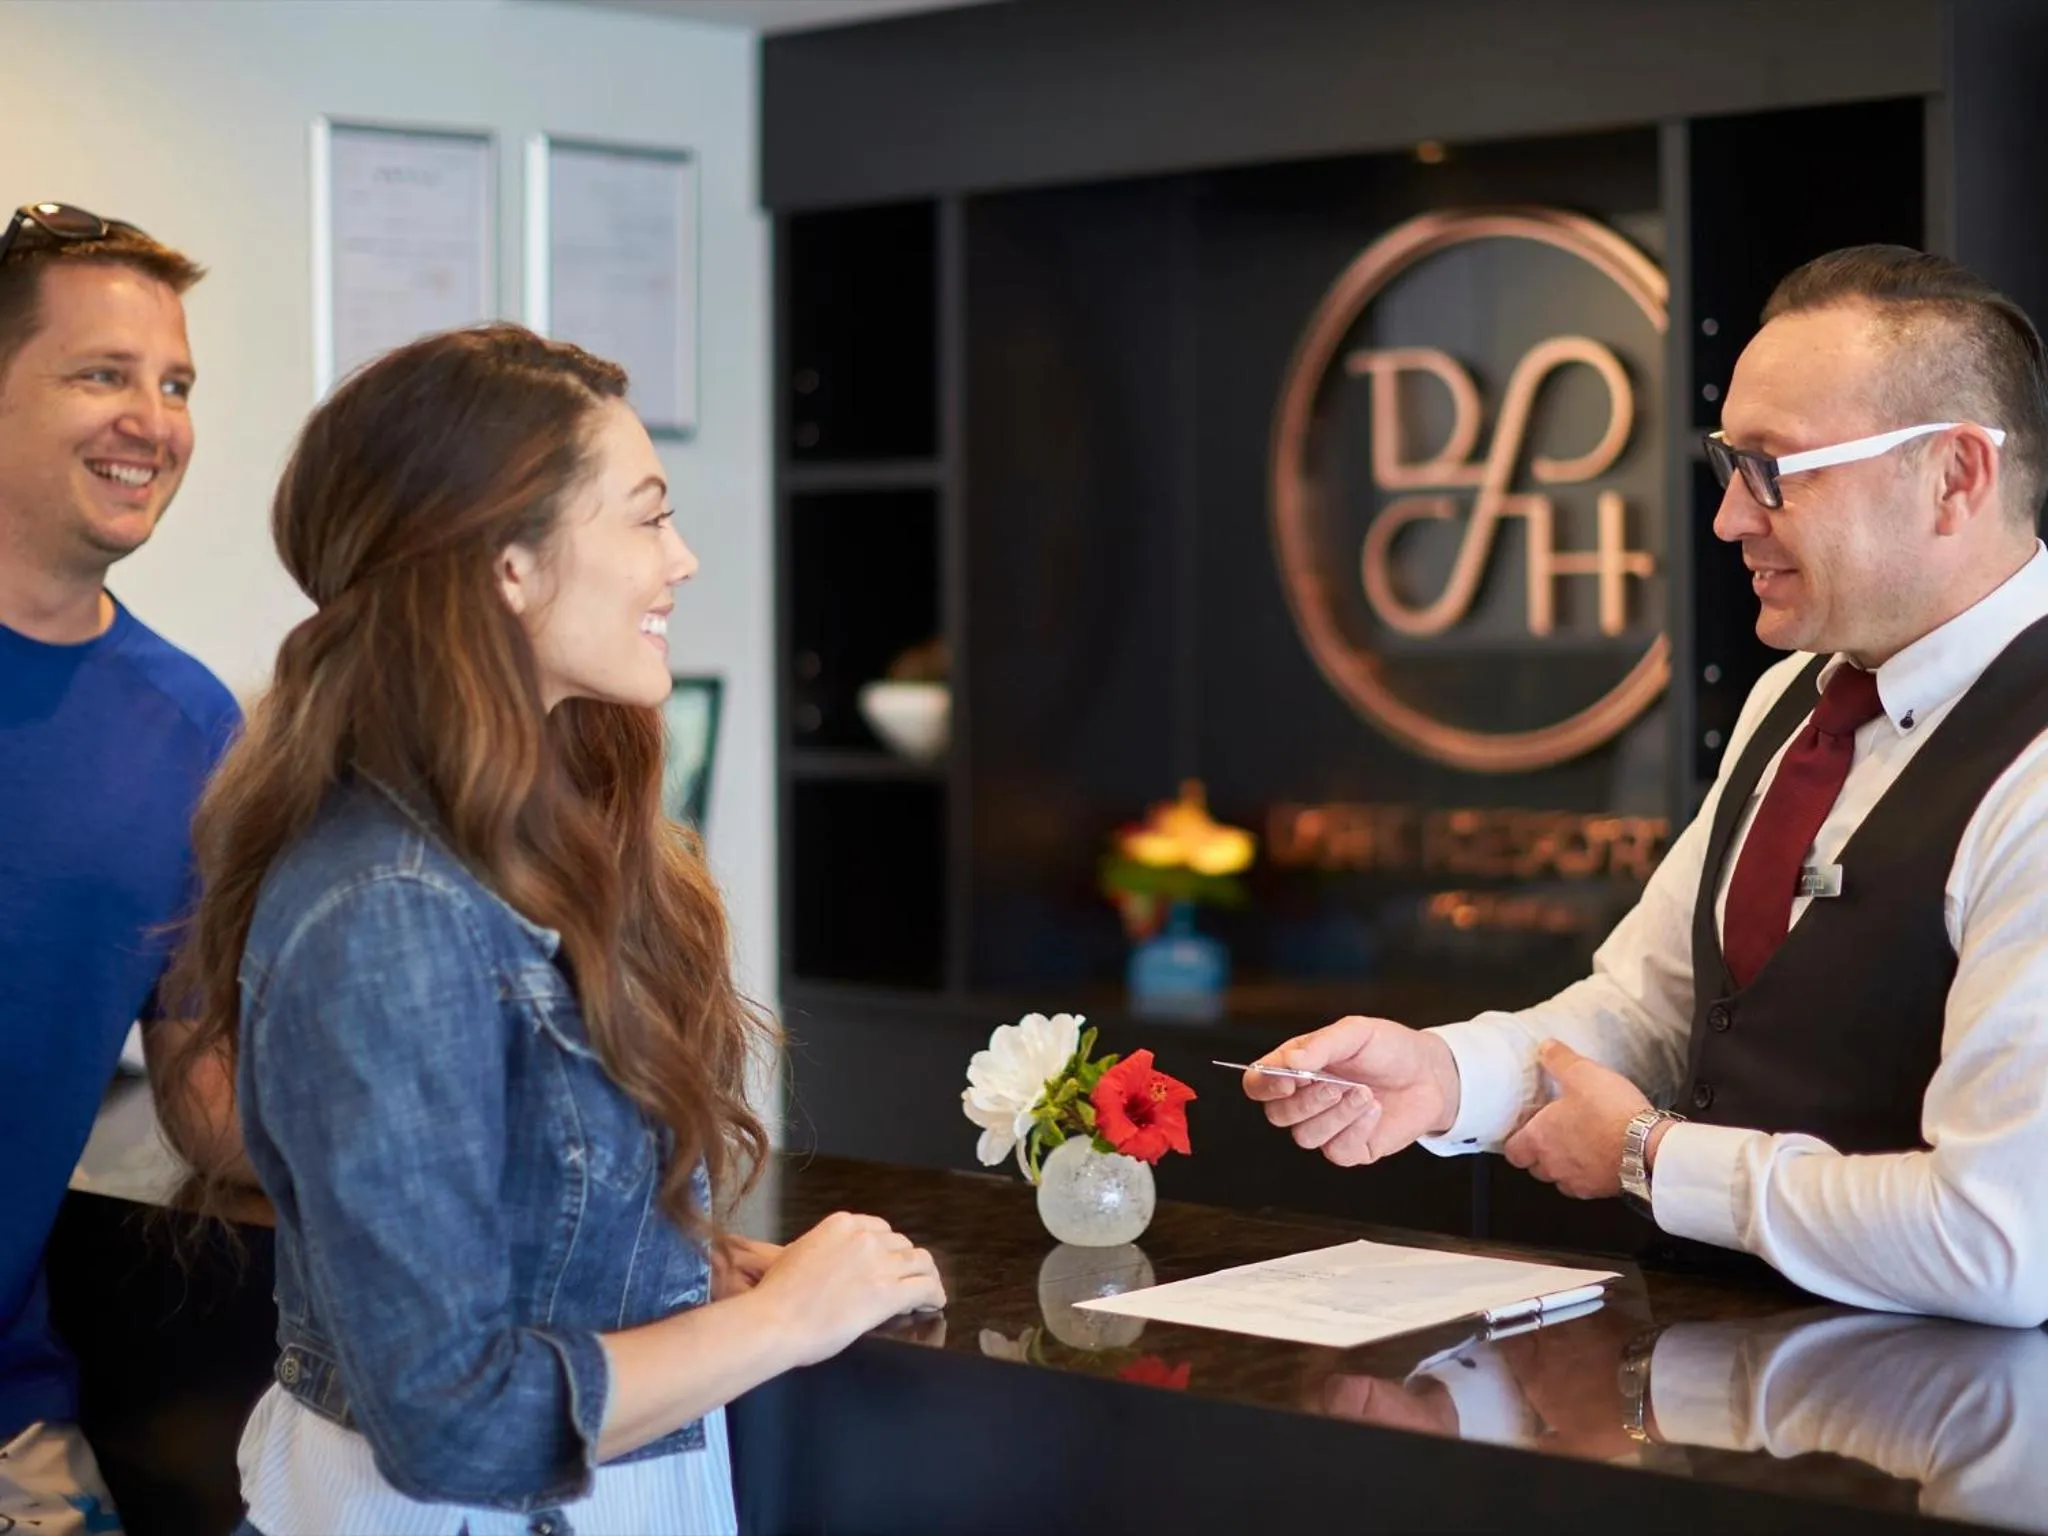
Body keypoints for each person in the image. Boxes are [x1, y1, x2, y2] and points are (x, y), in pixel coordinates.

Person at [163, 324, 946, 1535]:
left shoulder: (521, 848)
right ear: (508, 565)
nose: (679, 561)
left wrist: (668, 1277)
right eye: (644, 517)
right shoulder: (389, 912)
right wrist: (778, 1322)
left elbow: (520, 1228)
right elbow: (451, 1417)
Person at [1246, 245, 2048, 1327]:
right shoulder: (1789, 703)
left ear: (1954, 475)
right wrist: (1444, 1077)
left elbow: (1999, 1240)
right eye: (1730, 466)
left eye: (1777, 469)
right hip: (1731, 1398)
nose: (1728, 519)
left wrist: (1649, 1158)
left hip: (1949, 1448)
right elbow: (1646, 1010)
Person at [0, 201, 242, 1534]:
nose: (152, 420)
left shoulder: (192, 726)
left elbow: (204, 1072)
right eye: (101, 373)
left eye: (175, 384)